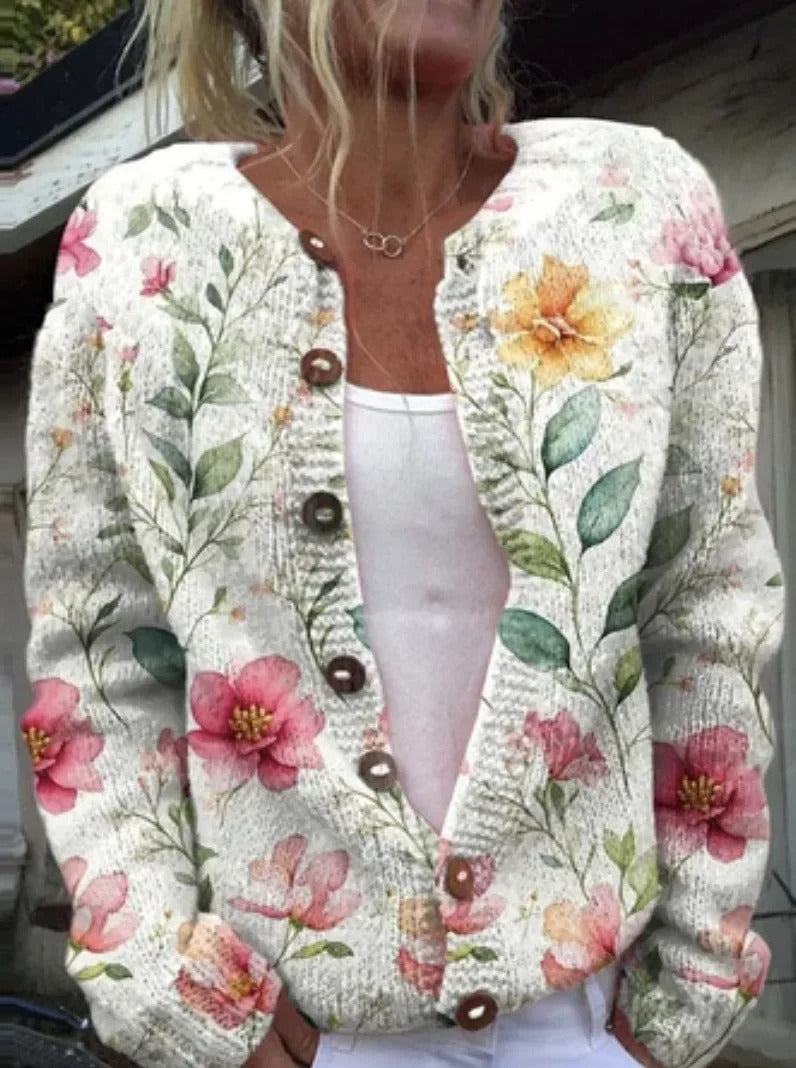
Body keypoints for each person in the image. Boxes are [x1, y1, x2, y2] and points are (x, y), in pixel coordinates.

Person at [20, 1, 784, 1066]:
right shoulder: (143, 242)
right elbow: (99, 652)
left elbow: (708, 609)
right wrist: (169, 987)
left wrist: (684, 993)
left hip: (587, 1028)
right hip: (284, 1030)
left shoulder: (633, 208)